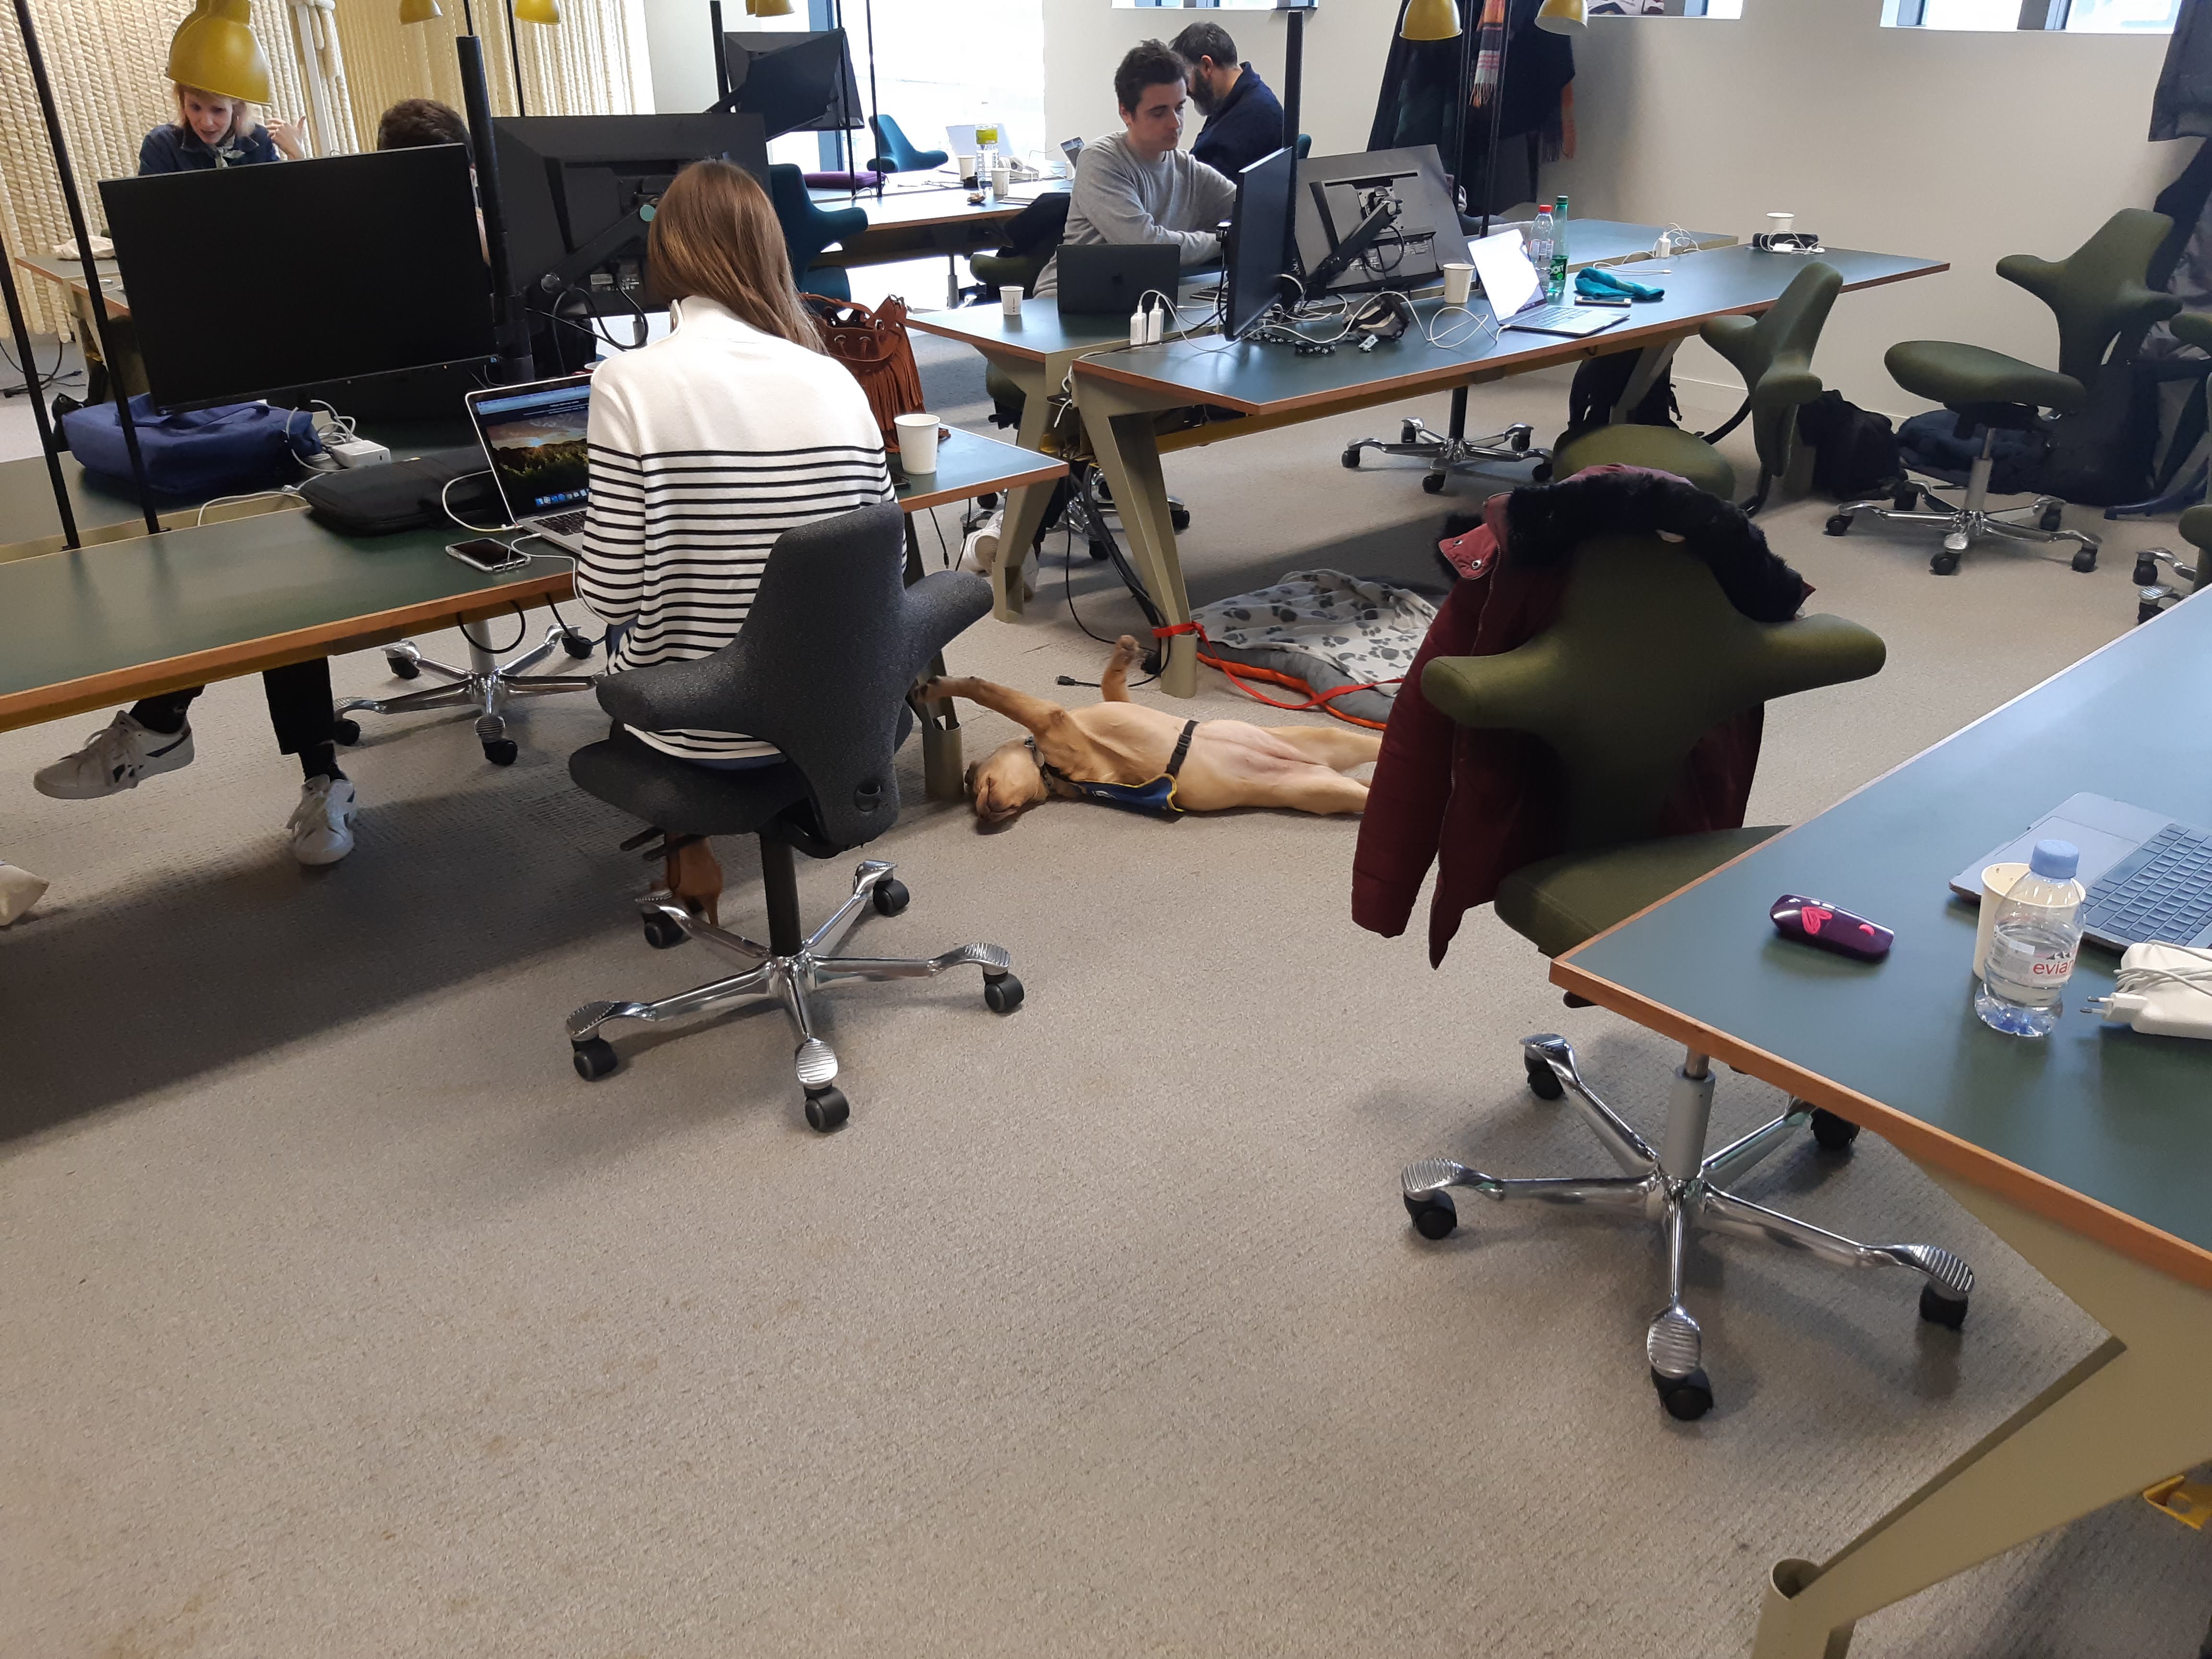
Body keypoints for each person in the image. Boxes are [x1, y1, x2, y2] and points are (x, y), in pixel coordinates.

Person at [36, 80, 352, 866]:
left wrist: (292, 159)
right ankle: (276, 760)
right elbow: (169, 232)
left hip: (313, 377)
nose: (208, 120)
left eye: (220, 107)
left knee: (276, 564)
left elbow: (293, 227)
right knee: (259, 557)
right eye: (197, 106)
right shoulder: (165, 147)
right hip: (235, 346)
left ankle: (169, 724)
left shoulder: (264, 146)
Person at [575, 159, 894, 767]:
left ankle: (688, 850)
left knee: (636, 610)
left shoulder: (625, 382)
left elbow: (610, 599)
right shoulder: (835, 378)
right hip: (840, 715)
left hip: (699, 729)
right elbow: (884, 565)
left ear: (664, 252)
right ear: (771, 251)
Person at [1034, 40, 1236, 298]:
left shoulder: (1187, 168)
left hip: (1142, 299)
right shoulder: (1101, 160)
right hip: (1069, 301)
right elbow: (1147, 245)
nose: (1175, 123)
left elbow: (1250, 208)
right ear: (1126, 114)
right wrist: (1222, 240)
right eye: (1158, 113)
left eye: (1179, 108)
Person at [1169, 21, 1288, 182]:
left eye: (1185, 78)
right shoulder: (1237, 100)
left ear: (1207, 66)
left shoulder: (1253, 117)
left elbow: (1201, 193)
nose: (1185, 90)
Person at [138, 83, 307, 172]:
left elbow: (286, 207)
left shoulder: (258, 140)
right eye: (195, 107)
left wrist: (296, 157)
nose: (206, 122)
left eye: (218, 110)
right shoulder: (161, 145)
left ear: (237, 109)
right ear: (183, 105)